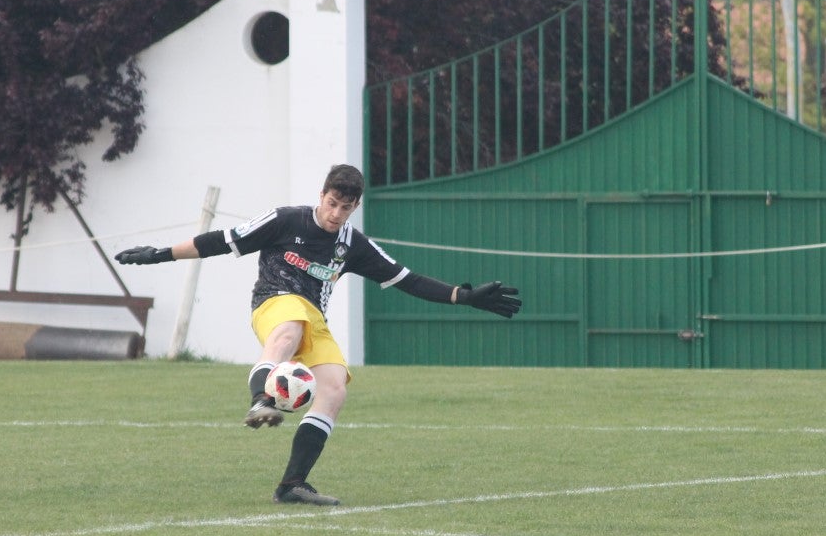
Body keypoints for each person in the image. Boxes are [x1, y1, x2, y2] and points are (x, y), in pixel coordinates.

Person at [113, 164, 521, 506]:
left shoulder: (353, 244)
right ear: (321, 195)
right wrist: (160, 254)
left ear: (355, 206)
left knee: (335, 388)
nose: (336, 214)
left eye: (346, 207)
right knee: (288, 331)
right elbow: (221, 241)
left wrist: (464, 297)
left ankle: (292, 485)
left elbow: (407, 280)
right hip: (274, 302)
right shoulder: (285, 219)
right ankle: (261, 401)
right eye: (332, 203)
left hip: (316, 318)